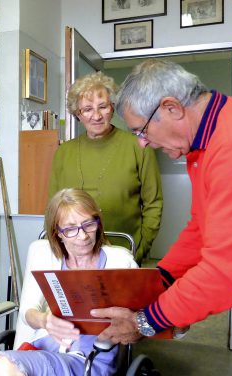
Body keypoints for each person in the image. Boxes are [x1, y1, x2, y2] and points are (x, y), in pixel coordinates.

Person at [91, 59, 232, 376]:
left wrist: (146, 320)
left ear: (171, 108)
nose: (142, 142)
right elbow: (201, 228)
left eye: (141, 130)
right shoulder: (208, 139)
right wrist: (161, 279)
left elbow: (225, 272)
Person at [0, 189, 138, 376]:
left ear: (98, 222)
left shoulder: (120, 262)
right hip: (41, 350)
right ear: (58, 233)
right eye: (71, 229)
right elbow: (27, 312)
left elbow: (140, 318)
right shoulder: (47, 259)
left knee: (2, 365)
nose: (83, 236)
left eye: (89, 224)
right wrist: (44, 320)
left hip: (87, 358)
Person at [49, 71, 162, 263]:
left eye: (103, 106)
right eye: (87, 109)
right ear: (78, 114)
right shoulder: (64, 152)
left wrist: (140, 248)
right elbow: (53, 208)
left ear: (112, 107)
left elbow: (153, 204)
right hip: (74, 257)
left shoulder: (139, 147)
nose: (96, 116)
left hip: (124, 250)